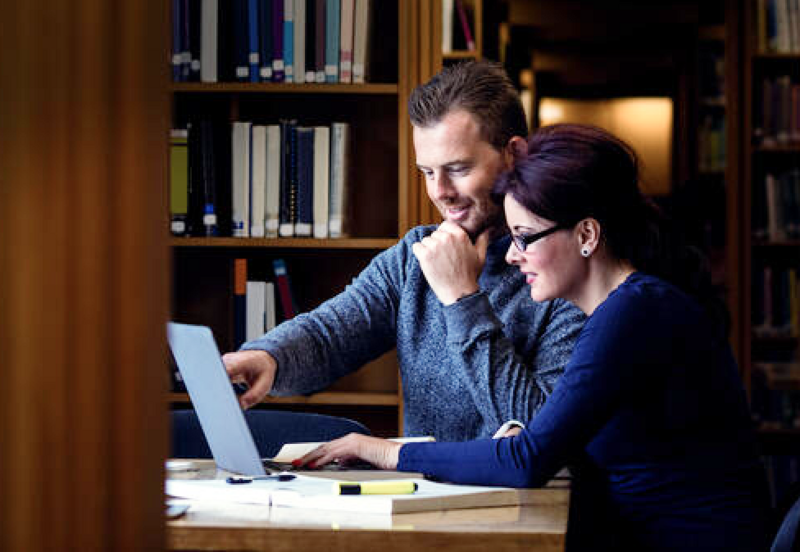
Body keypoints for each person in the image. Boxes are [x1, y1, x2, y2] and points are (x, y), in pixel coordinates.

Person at [297, 124, 771, 551]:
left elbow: (527, 461)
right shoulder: (626, 308)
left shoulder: (633, 313)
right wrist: (527, 432)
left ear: (586, 233)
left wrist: (375, 448)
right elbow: (548, 437)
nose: (511, 256)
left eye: (525, 237)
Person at [223, 61, 584, 441]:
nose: (440, 191)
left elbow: (539, 430)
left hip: (512, 499)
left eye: (457, 168)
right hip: (422, 494)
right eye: (427, 172)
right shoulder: (414, 254)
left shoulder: (563, 267)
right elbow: (330, 334)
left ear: (513, 154)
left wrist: (462, 300)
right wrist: (268, 358)